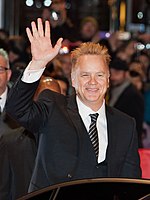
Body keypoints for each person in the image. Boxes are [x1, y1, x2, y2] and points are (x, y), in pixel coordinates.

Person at [6, 18, 141, 194]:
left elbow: (129, 184)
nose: (93, 82)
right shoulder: (53, 107)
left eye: (99, 75)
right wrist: (37, 64)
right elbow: (16, 108)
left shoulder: (126, 124)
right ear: (74, 80)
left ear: (108, 80)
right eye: (85, 75)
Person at [0, 76, 61, 200]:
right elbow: (4, 191)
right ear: (33, 100)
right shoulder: (9, 142)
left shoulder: (73, 140)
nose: (51, 106)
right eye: (45, 100)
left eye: (56, 99)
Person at [108, 58, 144, 148]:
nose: (113, 77)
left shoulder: (132, 94)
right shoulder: (113, 90)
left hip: (127, 145)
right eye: (110, 73)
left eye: (117, 73)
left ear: (126, 74)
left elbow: (136, 126)